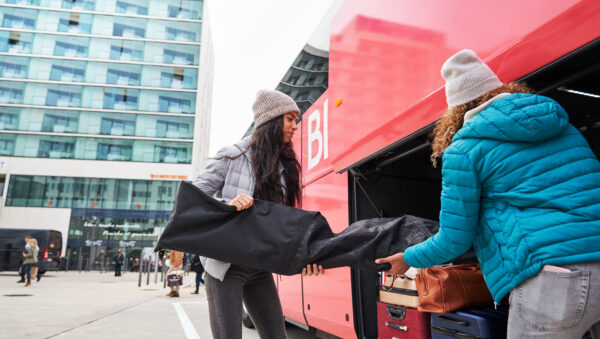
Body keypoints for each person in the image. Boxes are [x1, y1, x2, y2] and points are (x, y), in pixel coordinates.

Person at [376, 49, 600, 338]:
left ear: (456, 107)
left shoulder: (464, 150)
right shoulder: (563, 128)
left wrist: (408, 257)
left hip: (553, 279)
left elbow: (454, 239)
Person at [193, 89, 323, 339]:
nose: (295, 126)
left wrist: (305, 256)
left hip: (259, 266)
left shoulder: (284, 169)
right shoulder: (233, 155)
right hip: (225, 267)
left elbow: (284, 224)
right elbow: (194, 195)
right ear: (271, 120)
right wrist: (228, 203)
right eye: (289, 118)